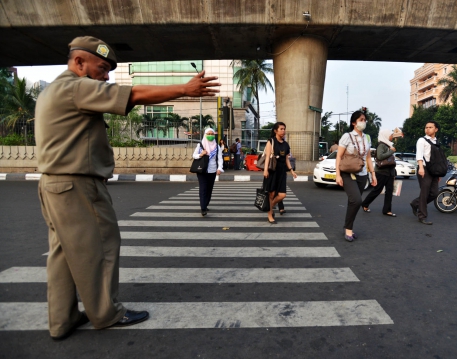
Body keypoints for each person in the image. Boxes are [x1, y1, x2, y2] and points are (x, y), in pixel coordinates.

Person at [35, 36, 220, 340]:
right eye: (101, 67)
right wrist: (184, 90)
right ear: (79, 63)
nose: (106, 76)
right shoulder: (77, 86)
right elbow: (132, 94)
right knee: (104, 245)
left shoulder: (51, 90)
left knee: (62, 253)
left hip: (52, 184)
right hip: (78, 184)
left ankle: (62, 318)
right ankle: (106, 313)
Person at [335, 109, 377, 241]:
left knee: (352, 202)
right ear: (354, 123)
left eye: (365, 120)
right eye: (361, 120)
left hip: (362, 174)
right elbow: (339, 156)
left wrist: (373, 175)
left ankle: (347, 226)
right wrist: (337, 175)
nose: (363, 122)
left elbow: (368, 158)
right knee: (357, 201)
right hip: (347, 173)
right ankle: (348, 229)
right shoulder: (347, 136)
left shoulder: (367, 137)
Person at [263, 122, 297, 223]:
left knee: (282, 195)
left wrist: (291, 170)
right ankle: (270, 215)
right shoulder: (271, 141)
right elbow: (267, 157)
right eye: (281, 129)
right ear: (275, 131)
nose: (283, 131)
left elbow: (286, 159)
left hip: (282, 171)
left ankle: (270, 207)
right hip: (272, 171)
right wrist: (265, 170)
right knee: (272, 193)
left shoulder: (286, 144)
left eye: (284, 129)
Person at [361, 129, 399, 217]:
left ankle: (387, 210)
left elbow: (391, 161)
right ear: (385, 135)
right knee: (377, 190)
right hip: (381, 172)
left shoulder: (389, 145)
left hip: (389, 172)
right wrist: (391, 151)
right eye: (390, 135)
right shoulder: (381, 145)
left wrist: (394, 174)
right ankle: (365, 204)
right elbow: (380, 156)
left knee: (389, 191)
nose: (392, 137)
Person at [410, 121, 441, 225]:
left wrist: (438, 173)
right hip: (424, 168)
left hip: (434, 170)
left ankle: (415, 203)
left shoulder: (437, 141)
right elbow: (419, 154)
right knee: (424, 193)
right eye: (426, 127)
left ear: (436, 129)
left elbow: (438, 158)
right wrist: (421, 167)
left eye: (430, 127)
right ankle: (422, 216)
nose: (427, 129)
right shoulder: (421, 140)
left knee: (434, 193)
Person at [193, 128, 224, 216]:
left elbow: (220, 158)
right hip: (202, 170)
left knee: (209, 189)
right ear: (205, 134)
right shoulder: (200, 145)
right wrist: (201, 154)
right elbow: (194, 155)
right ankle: (203, 208)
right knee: (203, 189)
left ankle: (205, 204)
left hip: (212, 170)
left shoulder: (217, 146)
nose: (210, 135)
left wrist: (219, 168)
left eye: (212, 134)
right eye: (208, 134)